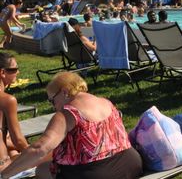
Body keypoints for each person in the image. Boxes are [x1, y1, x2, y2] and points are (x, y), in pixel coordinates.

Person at [0, 72, 143, 179]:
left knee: (42, 171)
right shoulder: (105, 102)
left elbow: (40, 148)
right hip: (131, 164)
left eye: (52, 101)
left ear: (64, 92)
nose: (54, 106)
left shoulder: (68, 114)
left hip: (98, 173)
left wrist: (5, 174)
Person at [0, 53, 29, 169]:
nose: (18, 72)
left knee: (14, 153)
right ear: (2, 73)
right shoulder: (7, 100)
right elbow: (18, 141)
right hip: (2, 165)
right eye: (15, 69)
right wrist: (36, 153)